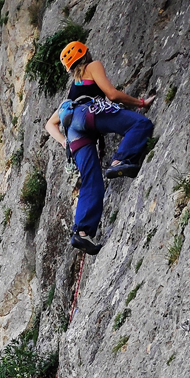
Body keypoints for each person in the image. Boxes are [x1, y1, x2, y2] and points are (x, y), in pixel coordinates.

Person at [44, 41, 155, 255]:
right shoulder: (92, 66)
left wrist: (64, 142)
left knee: (91, 180)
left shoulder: (71, 94)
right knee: (140, 124)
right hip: (89, 114)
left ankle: (81, 232)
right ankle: (121, 159)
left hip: (73, 132)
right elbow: (111, 95)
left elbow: (50, 124)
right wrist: (141, 103)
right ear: (85, 54)